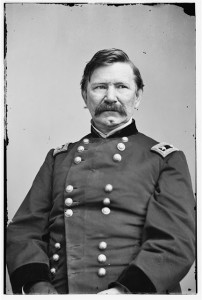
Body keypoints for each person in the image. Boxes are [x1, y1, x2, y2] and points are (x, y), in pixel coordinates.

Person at [6, 48, 195, 294]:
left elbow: (175, 242)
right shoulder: (58, 159)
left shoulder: (165, 159)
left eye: (122, 87)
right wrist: (37, 286)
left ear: (137, 97)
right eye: (99, 87)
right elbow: (23, 231)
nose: (110, 97)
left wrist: (125, 291)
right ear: (85, 95)